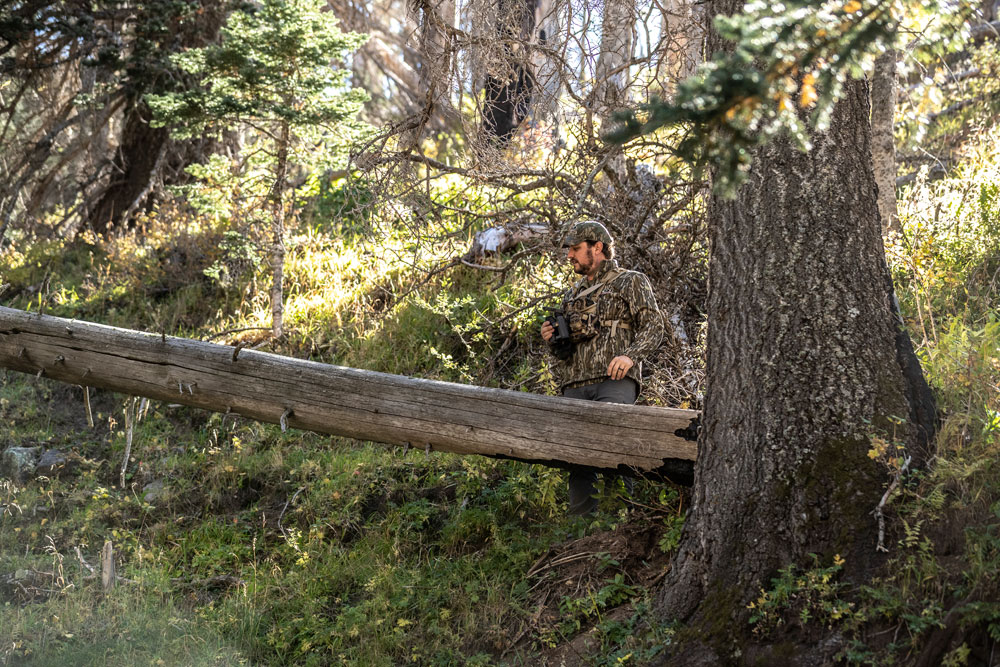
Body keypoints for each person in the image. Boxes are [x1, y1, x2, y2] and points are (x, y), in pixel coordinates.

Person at [541, 220, 664, 515]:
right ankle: (579, 537)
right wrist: (553, 340)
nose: (569, 255)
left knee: (615, 452)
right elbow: (566, 352)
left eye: (575, 248)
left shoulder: (630, 281)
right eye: (568, 249)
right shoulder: (572, 295)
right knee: (577, 463)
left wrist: (630, 356)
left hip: (614, 383)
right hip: (574, 387)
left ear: (597, 247)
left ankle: (619, 530)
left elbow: (654, 326)